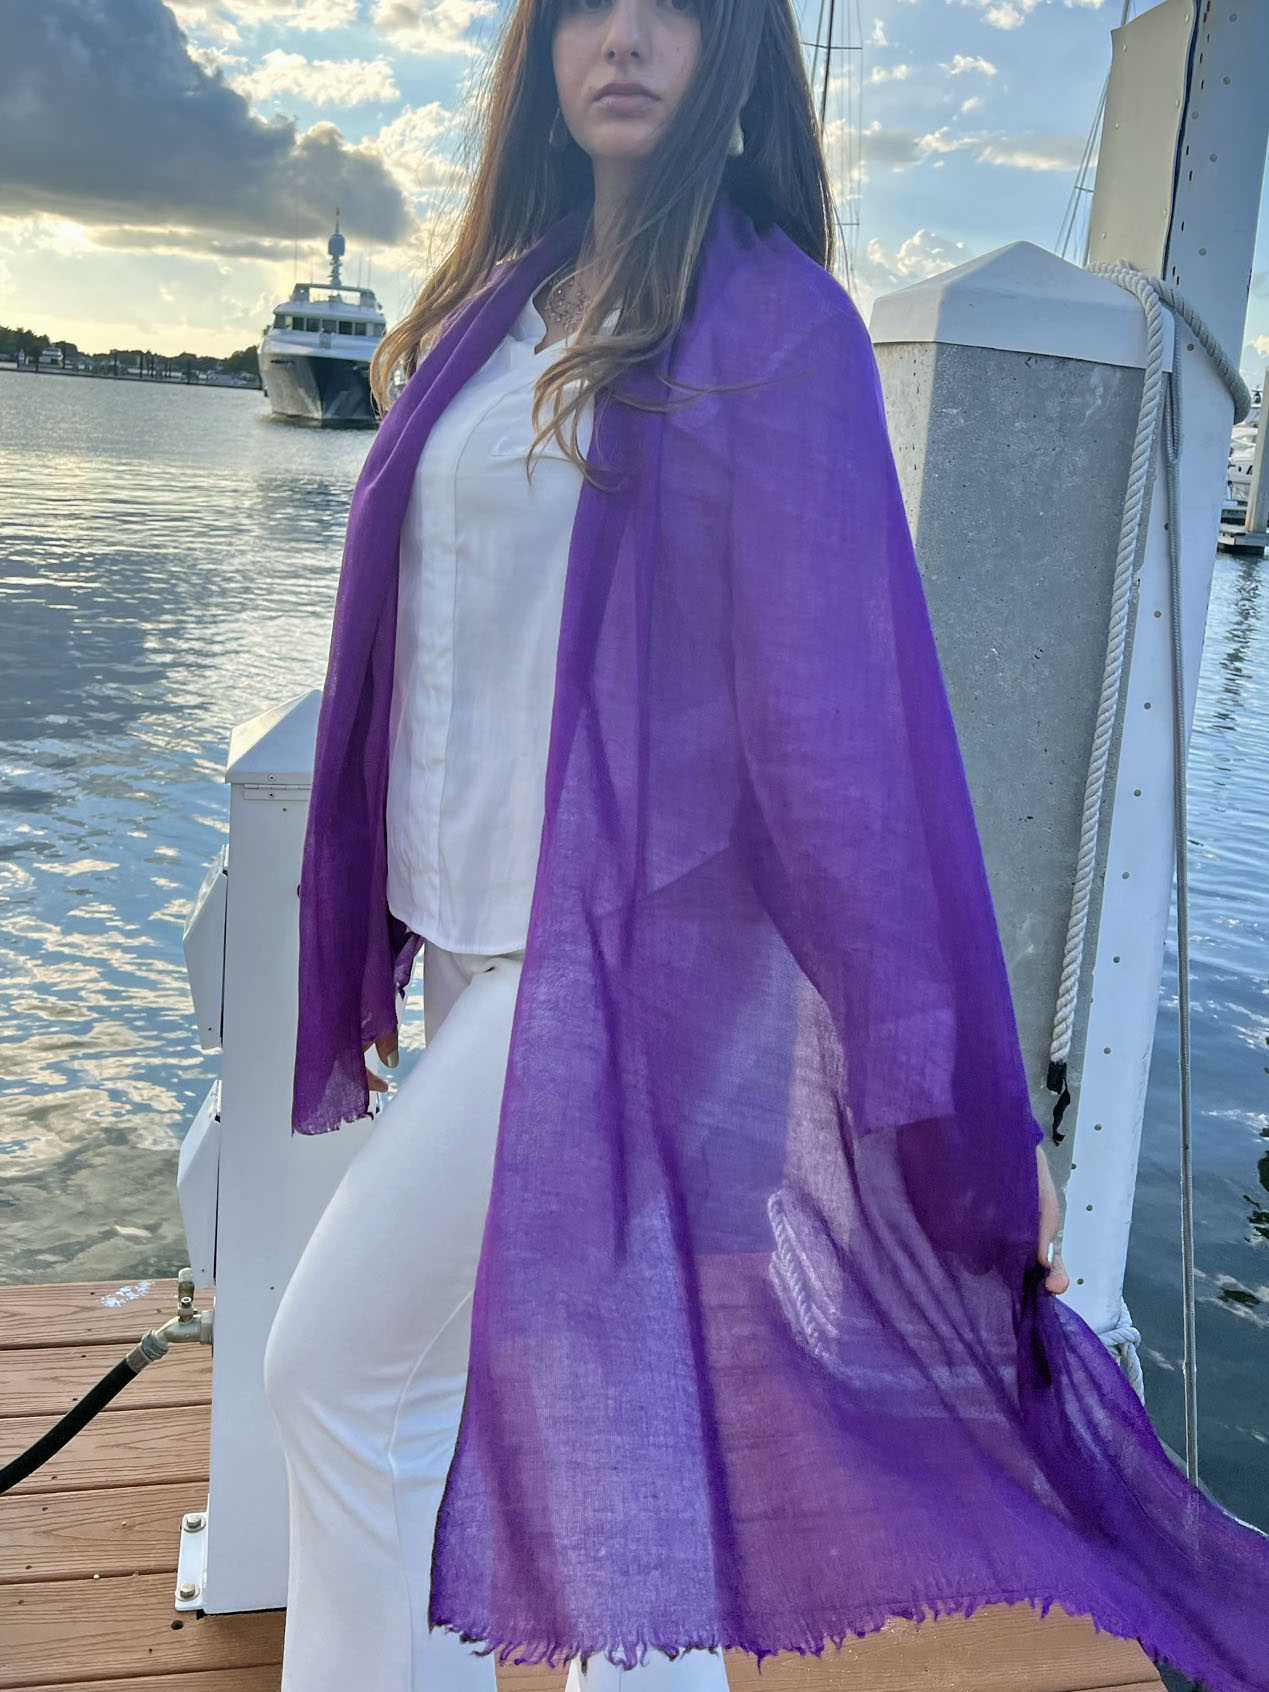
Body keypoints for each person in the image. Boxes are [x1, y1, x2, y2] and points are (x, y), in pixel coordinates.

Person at [262, 1, 1269, 1690]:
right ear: (539, 51)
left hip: (624, 968)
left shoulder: (774, 328)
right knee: (542, 1399)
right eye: (590, 5)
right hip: (470, 937)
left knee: (333, 1372)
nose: (626, 39)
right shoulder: (497, 308)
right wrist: (366, 921)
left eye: (675, 6)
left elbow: (842, 741)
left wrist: (960, 1106)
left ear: (733, 55)